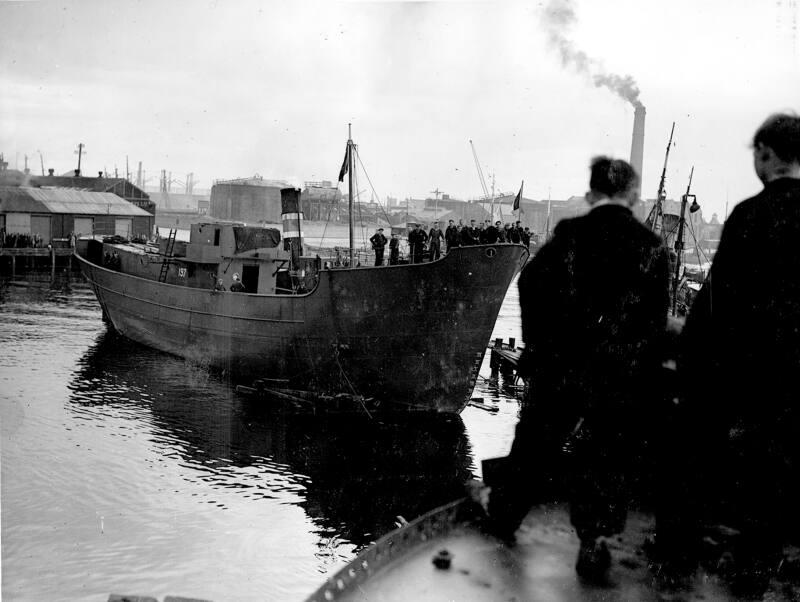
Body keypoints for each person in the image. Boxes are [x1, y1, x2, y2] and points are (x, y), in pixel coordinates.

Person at [486, 156, 669, 579]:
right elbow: (654, 323)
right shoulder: (651, 247)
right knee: (608, 454)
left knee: (534, 446)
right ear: (634, 196)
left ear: (590, 194)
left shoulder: (571, 234)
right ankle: (595, 538)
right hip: (619, 375)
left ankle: (504, 520)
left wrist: (542, 345)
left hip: (562, 367)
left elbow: (531, 283)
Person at [679, 113, 800, 576]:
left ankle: (694, 548)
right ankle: (765, 556)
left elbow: (716, 302)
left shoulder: (751, 215)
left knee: (724, 451)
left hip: (751, 367)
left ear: (766, 153)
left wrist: (690, 355)